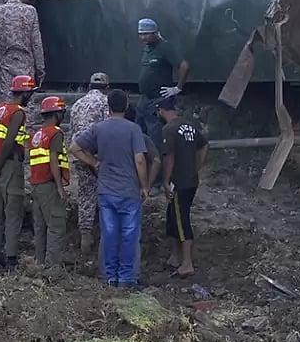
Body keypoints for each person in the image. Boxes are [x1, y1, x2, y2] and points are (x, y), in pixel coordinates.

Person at [69, 89, 148, 289]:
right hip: (129, 191)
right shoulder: (134, 130)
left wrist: (94, 163)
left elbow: (74, 148)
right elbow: (140, 160)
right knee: (129, 235)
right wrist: (145, 185)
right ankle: (126, 278)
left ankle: (109, 277)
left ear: (108, 107)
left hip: (106, 191)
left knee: (109, 233)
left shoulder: (99, 128)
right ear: (127, 106)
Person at [0, 75, 36, 271]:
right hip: (10, 166)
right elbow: (9, 142)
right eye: (29, 93)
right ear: (24, 93)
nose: (31, 96)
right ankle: (11, 257)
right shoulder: (18, 113)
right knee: (13, 211)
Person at [156, 97, 207, 277]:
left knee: (181, 220)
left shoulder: (168, 130)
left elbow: (168, 157)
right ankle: (175, 257)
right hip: (191, 179)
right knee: (173, 217)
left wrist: (166, 180)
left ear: (163, 110)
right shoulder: (190, 126)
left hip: (178, 182)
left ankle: (187, 263)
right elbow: (203, 146)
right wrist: (197, 166)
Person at [66, 71, 111, 254]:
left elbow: (72, 131)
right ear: (107, 87)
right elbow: (108, 130)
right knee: (106, 193)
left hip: (78, 153)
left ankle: (85, 235)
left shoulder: (77, 104)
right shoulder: (106, 103)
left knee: (85, 194)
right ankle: (104, 236)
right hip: (98, 155)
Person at [27, 96, 69, 271]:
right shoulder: (56, 133)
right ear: (57, 114)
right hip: (49, 185)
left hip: (36, 184)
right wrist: (60, 186)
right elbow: (53, 159)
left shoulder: (37, 134)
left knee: (40, 226)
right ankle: (53, 268)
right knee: (56, 225)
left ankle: (40, 262)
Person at [136, 18, 188, 149]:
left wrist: (177, 88)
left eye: (146, 34)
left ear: (155, 33)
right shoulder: (147, 48)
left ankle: (157, 165)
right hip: (144, 99)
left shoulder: (165, 47)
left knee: (155, 137)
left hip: (158, 99)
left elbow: (184, 66)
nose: (143, 37)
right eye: (141, 34)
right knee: (139, 133)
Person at [0, 0, 45, 96]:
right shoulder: (30, 11)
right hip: (26, 63)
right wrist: (40, 67)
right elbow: (36, 42)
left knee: (7, 97)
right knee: (26, 98)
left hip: (5, 63)